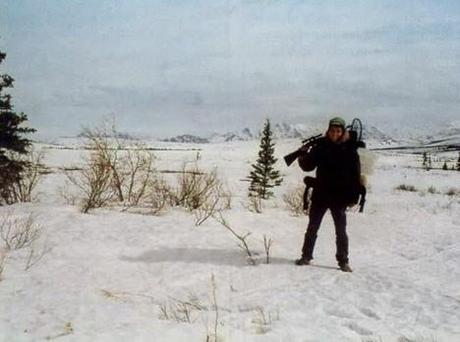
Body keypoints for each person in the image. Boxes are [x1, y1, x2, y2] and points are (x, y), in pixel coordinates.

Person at [295, 117, 361, 272]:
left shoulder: (350, 150)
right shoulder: (321, 147)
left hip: (340, 197)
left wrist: (354, 197)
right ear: (328, 130)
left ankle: (343, 261)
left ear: (343, 132)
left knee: (341, 231)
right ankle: (306, 256)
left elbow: (355, 175)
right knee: (312, 227)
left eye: (338, 131)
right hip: (321, 194)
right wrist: (302, 155)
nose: (335, 133)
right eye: (332, 130)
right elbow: (308, 166)